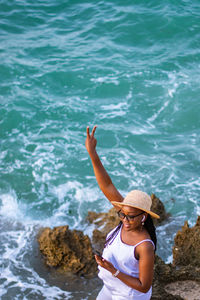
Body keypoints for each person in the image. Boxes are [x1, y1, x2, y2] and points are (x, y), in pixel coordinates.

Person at [85, 126, 160, 300]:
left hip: (129, 296)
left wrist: (114, 271)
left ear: (144, 216)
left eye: (131, 216)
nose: (125, 220)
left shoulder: (144, 246)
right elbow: (107, 185)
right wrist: (92, 152)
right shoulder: (127, 214)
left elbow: (143, 286)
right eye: (122, 214)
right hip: (109, 289)